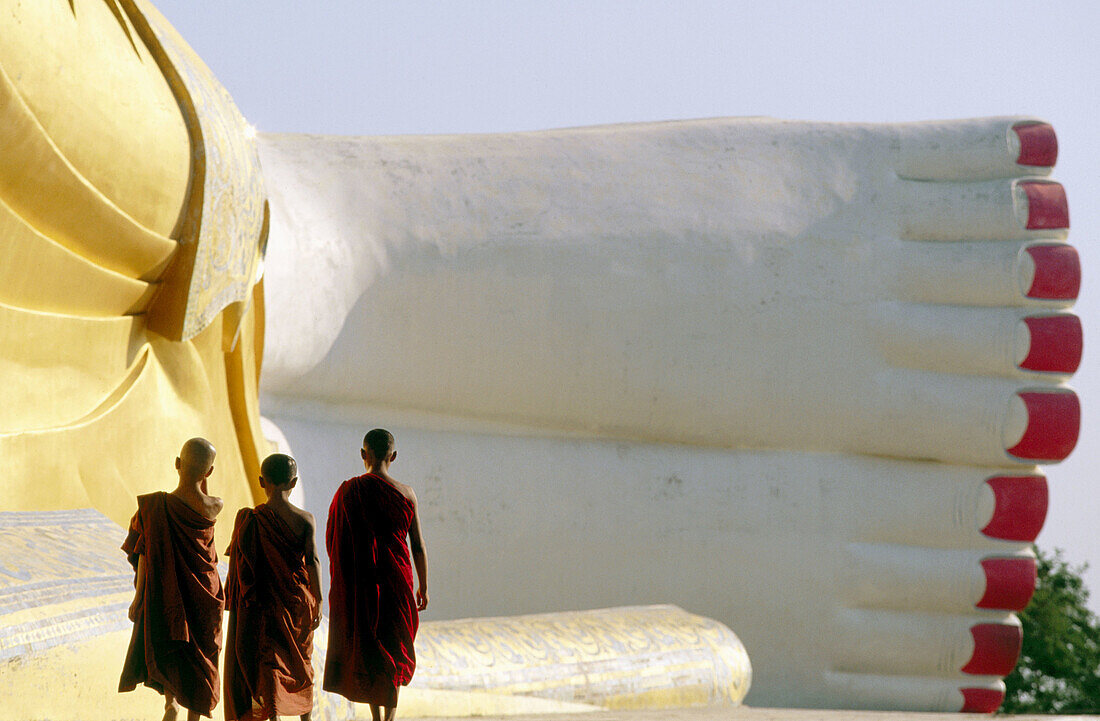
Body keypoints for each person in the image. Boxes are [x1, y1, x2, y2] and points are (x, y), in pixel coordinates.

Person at [324, 429, 428, 721]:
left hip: (362, 586)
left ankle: (376, 719)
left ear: (363, 454)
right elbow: (417, 545)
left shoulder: (348, 491)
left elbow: (334, 540)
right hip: (399, 583)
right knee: (394, 651)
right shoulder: (407, 494)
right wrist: (424, 586)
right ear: (393, 456)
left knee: (370, 649)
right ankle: (389, 720)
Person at [119, 438, 225, 721]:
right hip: (205, 589)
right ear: (209, 473)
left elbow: (144, 555)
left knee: (173, 643)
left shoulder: (155, 507)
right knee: (202, 652)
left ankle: (171, 702)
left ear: (177, 464)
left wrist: (138, 598)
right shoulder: (215, 505)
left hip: (168, 589)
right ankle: (193, 716)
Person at [224, 453, 323, 721]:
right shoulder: (305, 519)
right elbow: (313, 561)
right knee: (301, 665)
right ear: (294, 482)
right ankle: (305, 718)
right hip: (296, 602)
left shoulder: (252, 521)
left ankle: (274, 717)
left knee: (270, 664)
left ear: (261, 481)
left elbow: (242, 568)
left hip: (265, 604)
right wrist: (320, 600)